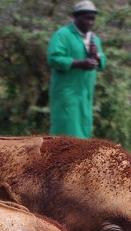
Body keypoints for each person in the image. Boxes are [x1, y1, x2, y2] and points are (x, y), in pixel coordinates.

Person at [47, 0, 107, 138]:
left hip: (85, 91)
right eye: (87, 18)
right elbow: (53, 59)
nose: (90, 22)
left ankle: (79, 159)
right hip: (67, 91)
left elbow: (102, 61)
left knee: (83, 126)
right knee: (65, 127)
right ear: (76, 17)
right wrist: (80, 63)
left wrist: (97, 56)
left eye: (92, 19)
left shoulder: (94, 39)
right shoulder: (63, 34)